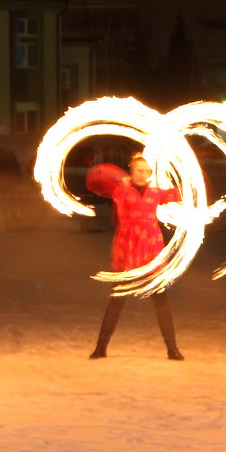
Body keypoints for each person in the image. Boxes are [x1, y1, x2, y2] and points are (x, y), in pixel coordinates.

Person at [87, 153, 184, 361]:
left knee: (160, 299)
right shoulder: (120, 190)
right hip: (128, 246)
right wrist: (114, 177)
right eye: (139, 170)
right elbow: (96, 183)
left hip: (151, 247)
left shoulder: (156, 192)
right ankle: (101, 347)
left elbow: (180, 194)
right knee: (117, 299)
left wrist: (191, 175)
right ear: (131, 170)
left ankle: (172, 349)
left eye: (147, 171)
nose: (143, 174)